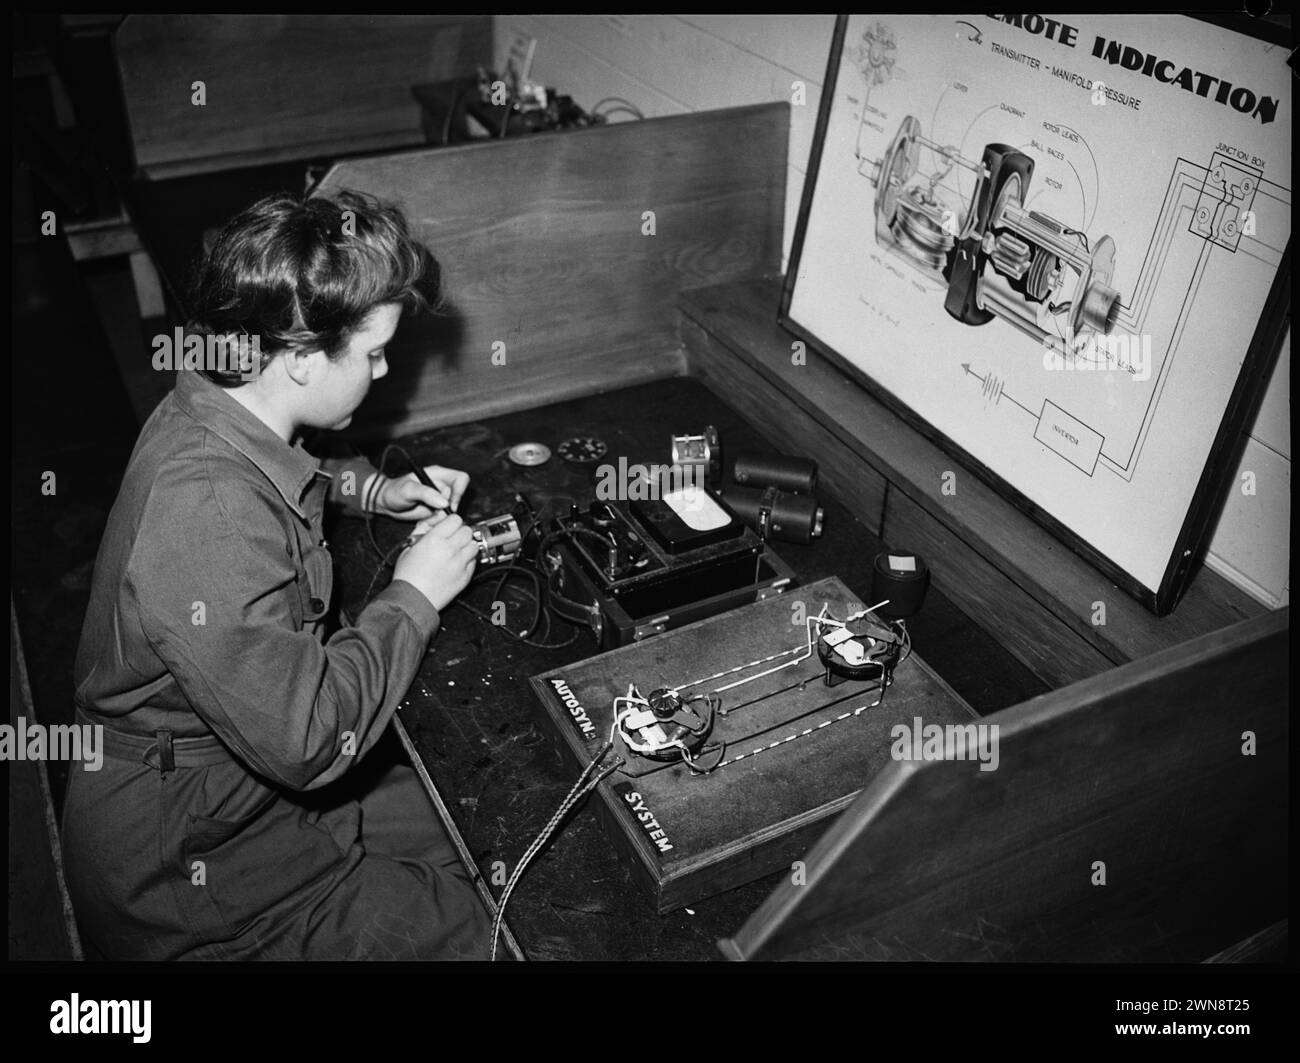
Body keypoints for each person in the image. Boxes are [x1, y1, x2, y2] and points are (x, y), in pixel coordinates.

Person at [62, 190, 492, 960]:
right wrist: (415, 594)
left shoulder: (216, 402)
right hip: (191, 873)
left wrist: (373, 488)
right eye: (373, 352)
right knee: (490, 930)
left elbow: (278, 472)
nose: (386, 367)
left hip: (241, 795)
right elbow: (312, 738)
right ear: (297, 358)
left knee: (483, 823)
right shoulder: (208, 515)